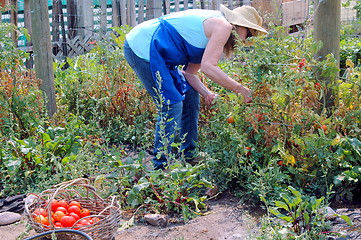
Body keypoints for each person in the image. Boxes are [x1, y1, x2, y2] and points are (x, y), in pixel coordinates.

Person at [123, 4, 268, 170]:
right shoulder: (223, 26)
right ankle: (160, 168)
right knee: (171, 105)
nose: (244, 41)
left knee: (191, 94)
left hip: (159, 52)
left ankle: (189, 154)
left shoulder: (213, 31)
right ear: (240, 25)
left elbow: (189, 74)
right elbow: (208, 67)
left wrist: (207, 93)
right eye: (248, 34)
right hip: (144, 47)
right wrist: (239, 89)